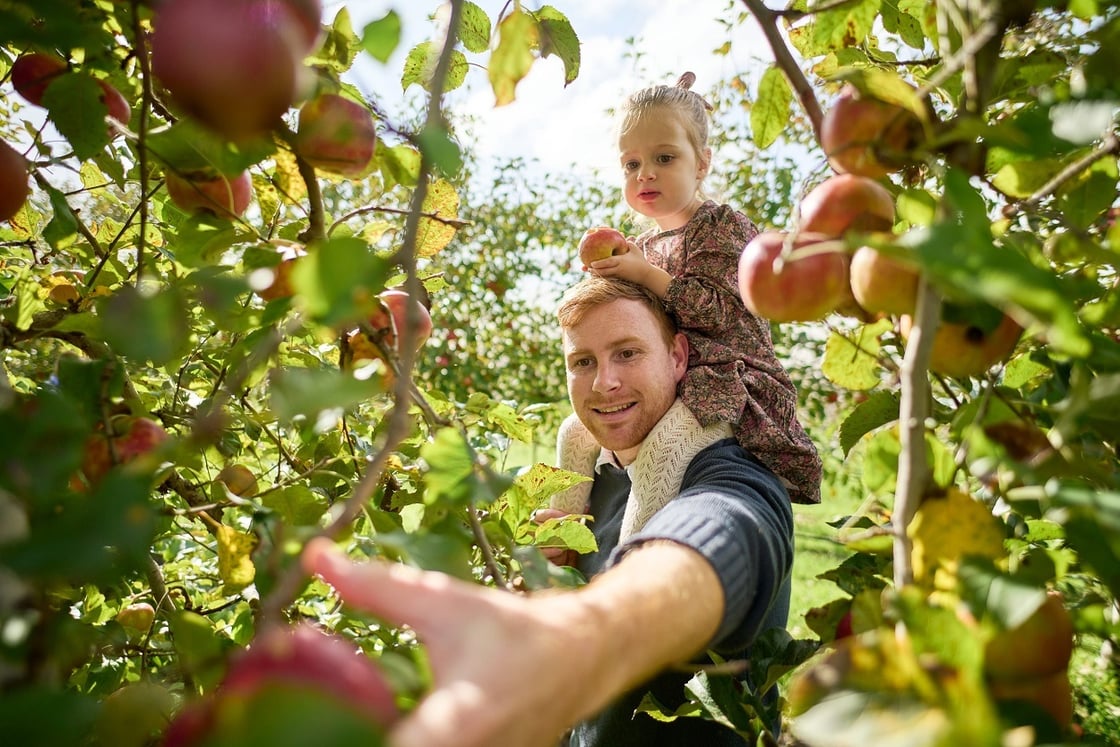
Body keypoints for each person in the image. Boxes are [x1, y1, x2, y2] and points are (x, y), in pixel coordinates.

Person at [303, 276, 795, 747]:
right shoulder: (589, 484)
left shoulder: (732, 470)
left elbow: (725, 533)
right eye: (582, 362)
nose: (604, 382)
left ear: (677, 356)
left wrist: (579, 633)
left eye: (628, 353)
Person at [554, 71, 822, 513]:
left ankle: (635, 560)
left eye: (664, 157)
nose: (645, 174)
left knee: (664, 451)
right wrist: (601, 284)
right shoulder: (640, 249)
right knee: (574, 433)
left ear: (701, 163)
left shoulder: (722, 227)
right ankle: (560, 541)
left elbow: (717, 312)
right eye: (632, 164)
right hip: (669, 380)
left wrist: (643, 277)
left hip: (728, 380)